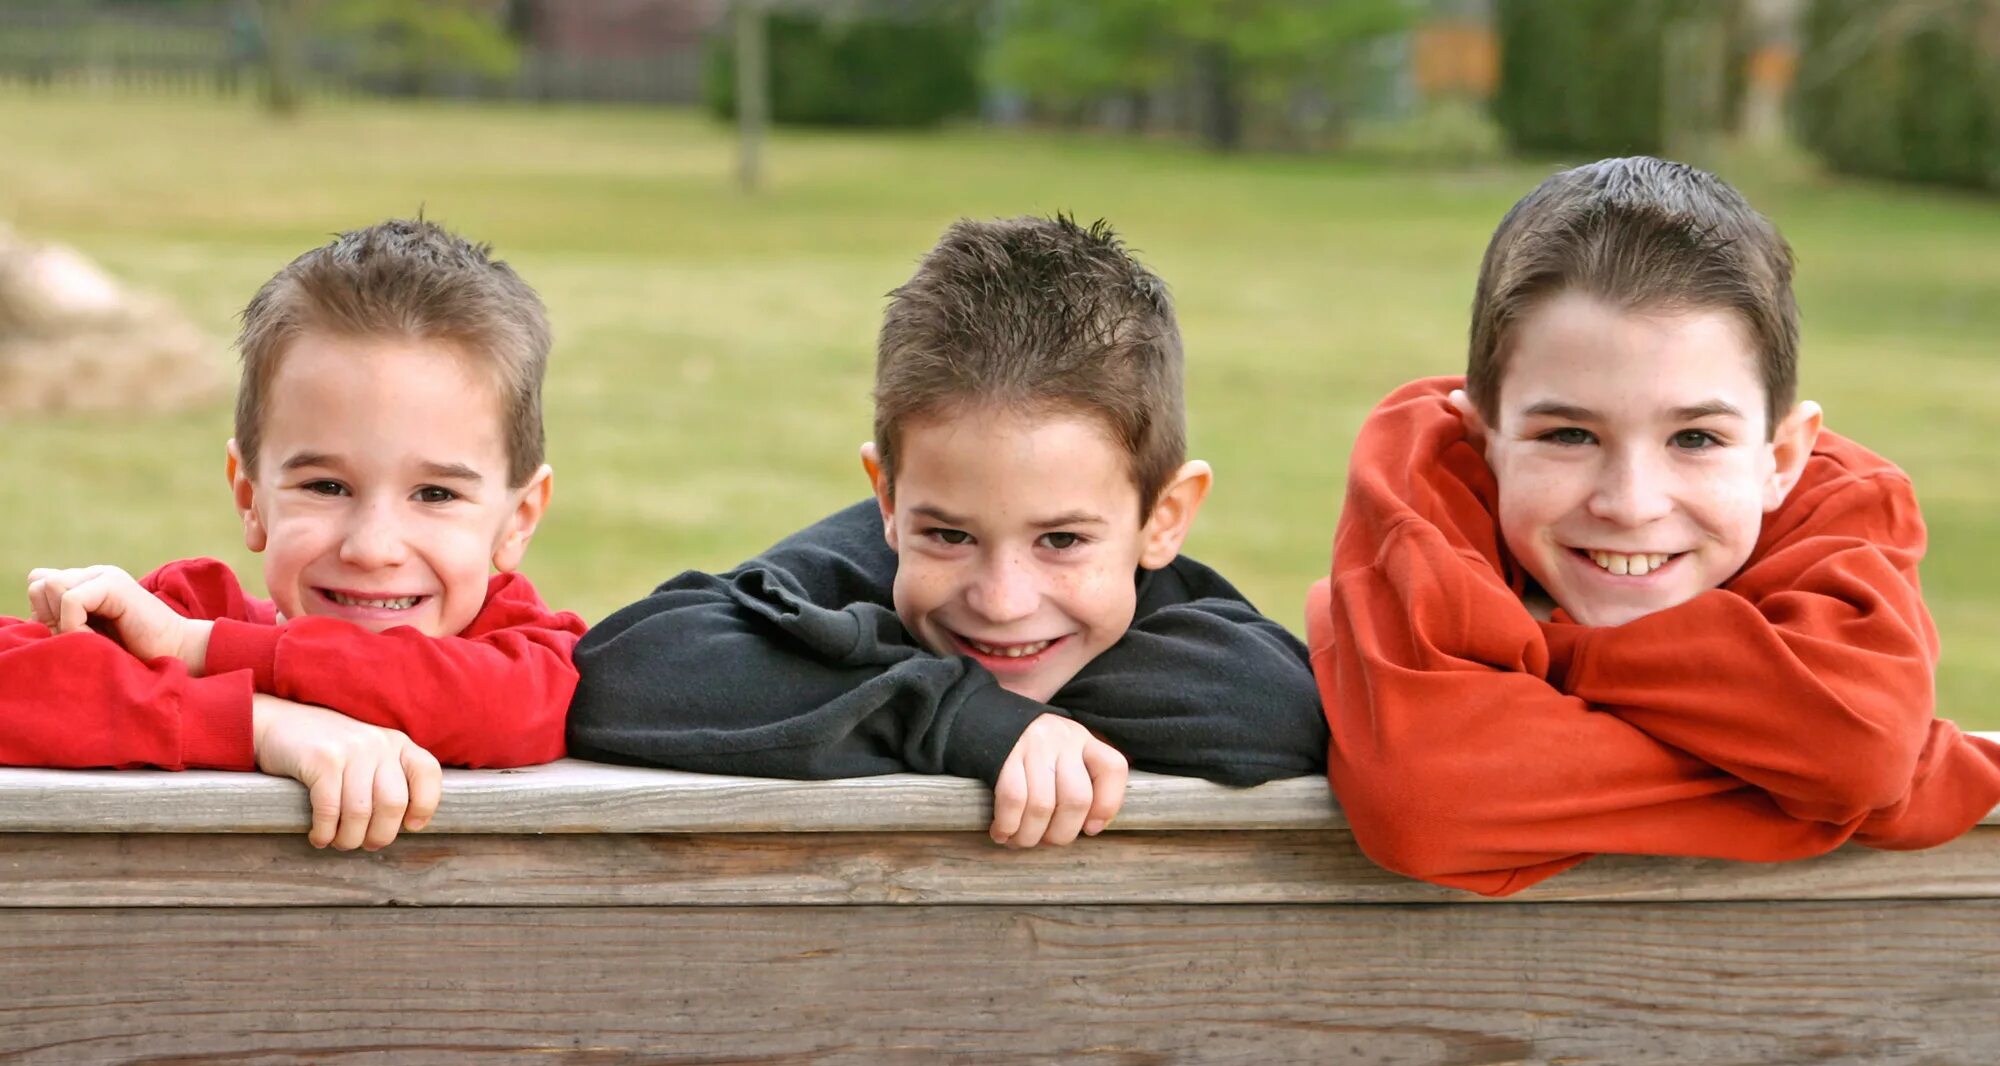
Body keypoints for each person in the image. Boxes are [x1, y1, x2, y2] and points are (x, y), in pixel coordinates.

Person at [1310, 157, 2000, 896]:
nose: (1632, 503)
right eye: (1569, 435)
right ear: (1483, 442)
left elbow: (1856, 745)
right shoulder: (1422, 472)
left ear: (1784, 456)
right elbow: (1428, 800)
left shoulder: (1848, 508)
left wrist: (1556, 654)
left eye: (1695, 438)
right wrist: (1817, 788)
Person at [568, 214, 1327, 848]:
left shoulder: (1189, 628)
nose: (1001, 601)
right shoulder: (846, 568)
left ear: (1164, 517)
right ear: (888, 500)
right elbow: (625, 673)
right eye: (949, 536)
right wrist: (966, 719)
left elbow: (1272, 709)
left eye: (1061, 540)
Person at [2, 218, 586, 851]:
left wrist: (206, 652)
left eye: (436, 494)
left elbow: (491, 707)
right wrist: (255, 723)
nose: (372, 547)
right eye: (326, 487)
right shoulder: (188, 609)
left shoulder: (527, 652)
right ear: (250, 496)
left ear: (518, 518)